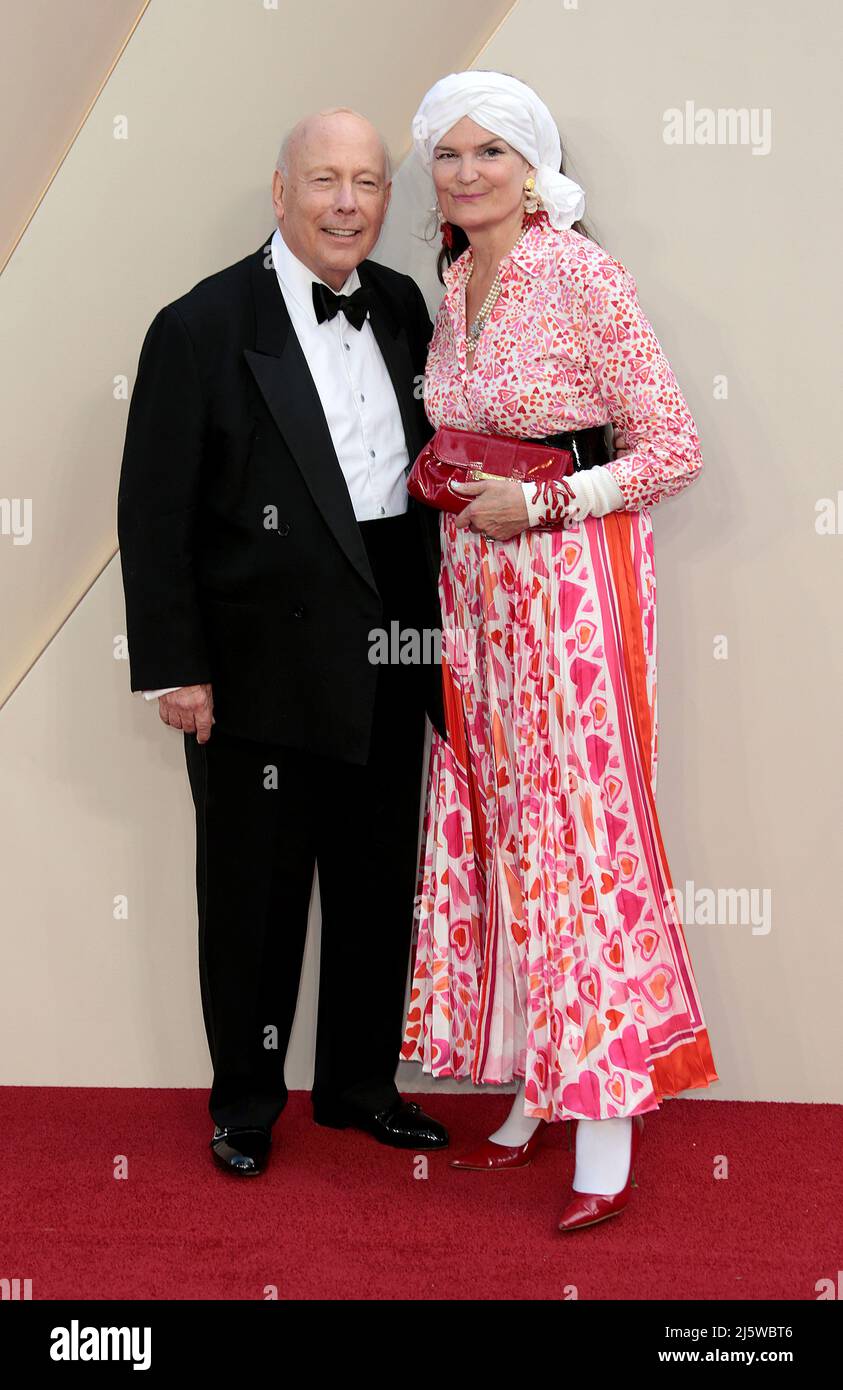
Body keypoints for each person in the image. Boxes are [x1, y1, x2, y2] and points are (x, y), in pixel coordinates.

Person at [400, 70, 719, 1231]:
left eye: (491, 152)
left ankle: (605, 1119)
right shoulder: (450, 280)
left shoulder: (582, 272)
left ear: (534, 169)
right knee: (494, 811)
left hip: (573, 581)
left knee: (579, 825)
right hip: (476, 591)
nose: (468, 171)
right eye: (449, 153)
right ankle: (541, 1074)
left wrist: (539, 507)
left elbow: (674, 449)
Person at [117, 108, 449, 1176]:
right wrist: (178, 666)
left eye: (368, 182)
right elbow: (153, 510)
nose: (348, 203)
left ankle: (359, 1086)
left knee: (372, 883)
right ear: (280, 193)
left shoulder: (405, 307)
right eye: (324, 181)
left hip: (392, 652)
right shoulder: (200, 326)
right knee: (255, 895)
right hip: (257, 666)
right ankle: (248, 1101)